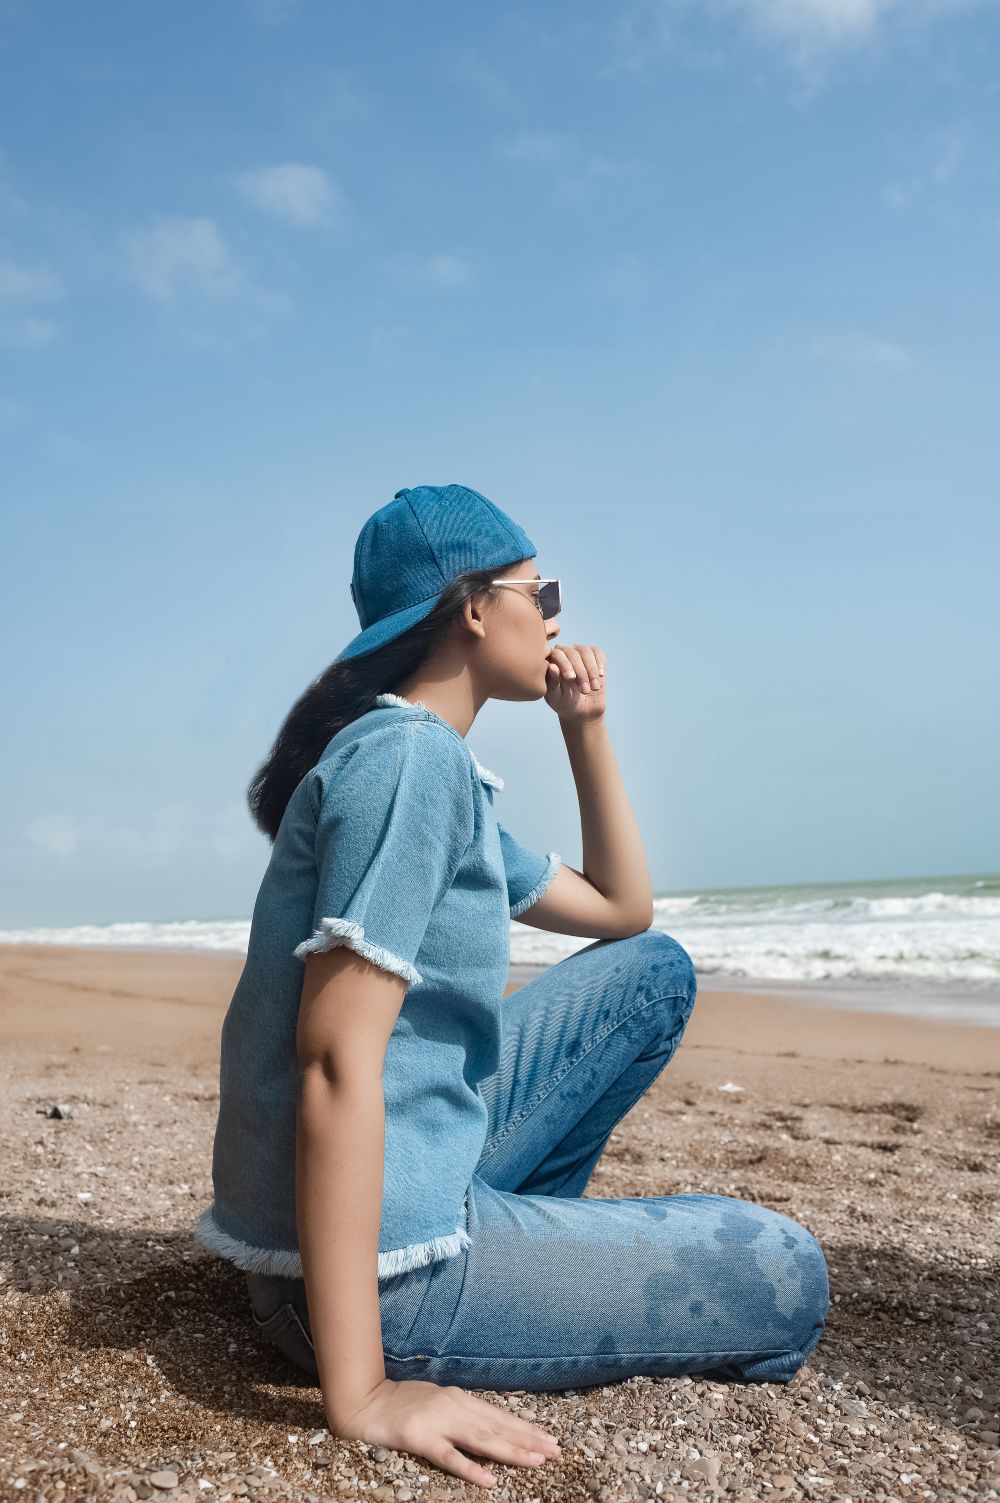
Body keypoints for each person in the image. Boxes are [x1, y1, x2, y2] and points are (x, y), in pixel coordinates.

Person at [195, 483, 829, 1490]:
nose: (556, 618)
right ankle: (457, 1294)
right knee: (787, 1270)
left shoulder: (424, 761)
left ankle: (515, 1252)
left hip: (389, 1177)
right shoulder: (407, 762)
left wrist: (586, 724)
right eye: (542, 592)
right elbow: (332, 1058)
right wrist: (360, 1394)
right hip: (371, 1278)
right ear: (475, 609)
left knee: (649, 979)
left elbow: (625, 912)